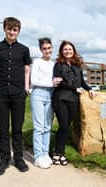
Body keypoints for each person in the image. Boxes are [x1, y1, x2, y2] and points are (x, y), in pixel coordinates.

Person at [0, 17, 31, 176]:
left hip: (19, 94)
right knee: (3, 129)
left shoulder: (24, 50)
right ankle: (4, 160)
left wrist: (26, 89)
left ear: (18, 31)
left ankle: (18, 159)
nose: (12, 32)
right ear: (4, 29)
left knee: (17, 129)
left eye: (15, 29)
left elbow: (27, 70)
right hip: (0, 94)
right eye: (9, 29)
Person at [51, 40, 96, 165]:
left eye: (70, 49)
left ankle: (57, 151)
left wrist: (90, 89)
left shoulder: (77, 65)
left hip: (73, 100)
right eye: (65, 49)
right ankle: (59, 153)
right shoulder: (58, 65)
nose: (68, 51)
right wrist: (74, 88)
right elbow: (59, 82)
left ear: (74, 51)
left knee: (65, 128)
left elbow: (81, 82)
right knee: (64, 126)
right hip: (60, 98)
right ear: (61, 51)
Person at [30, 37, 61, 169]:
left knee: (48, 126)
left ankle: (44, 153)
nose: (47, 50)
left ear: (52, 48)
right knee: (39, 127)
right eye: (44, 48)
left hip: (51, 94)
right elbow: (34, 80)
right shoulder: (37, 61)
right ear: (41, 49)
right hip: (38, 94)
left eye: (49, 48)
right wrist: (51, 83)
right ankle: (37, 157)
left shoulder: (54, 63)